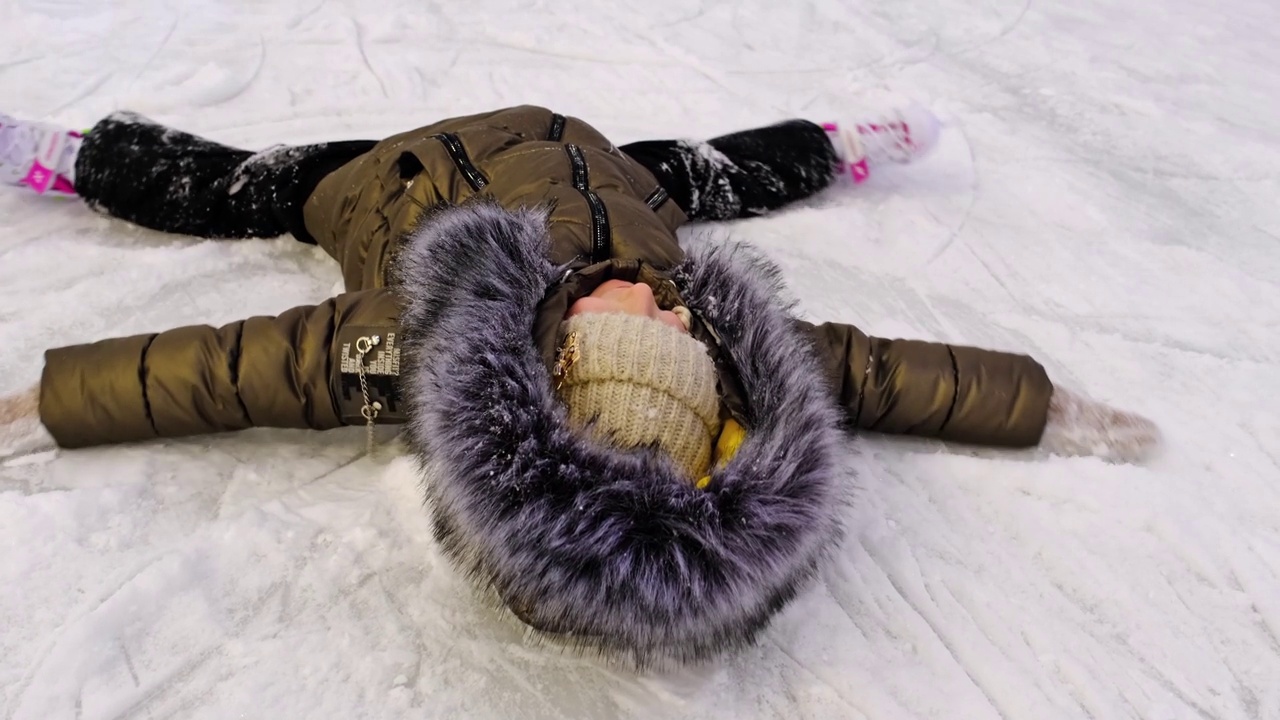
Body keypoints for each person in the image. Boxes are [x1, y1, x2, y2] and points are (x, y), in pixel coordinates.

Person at [0, 104, 1159, 664]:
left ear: (554, 365)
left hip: (381, 174)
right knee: (720, 171)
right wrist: (1047, 407)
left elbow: (226, 370)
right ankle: (839, 142)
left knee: (233, 183)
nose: (665, 304)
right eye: (672, 325)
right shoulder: (707, 327)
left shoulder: (429, 335)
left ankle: (71, 159)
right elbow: (886, 374)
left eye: (646, 320)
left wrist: (40, 406)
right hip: (600, 158)